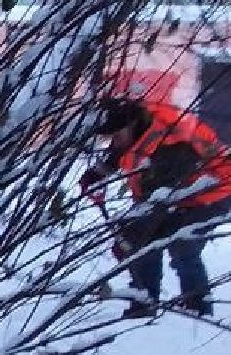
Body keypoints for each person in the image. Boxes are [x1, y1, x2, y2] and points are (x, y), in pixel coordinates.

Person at [82, 96, 231, 318]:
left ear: (130, 125)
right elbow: (121, 152)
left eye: (116, 135)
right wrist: (97, 173)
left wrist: (128, 238)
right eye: (109, 137)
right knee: (142, 240)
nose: (114, 141)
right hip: (174, 192)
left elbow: (157, 206)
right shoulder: (138, 126)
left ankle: (198, 310)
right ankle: (144, 303)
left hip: (215, 191)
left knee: (181, 243)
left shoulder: (171, 145)